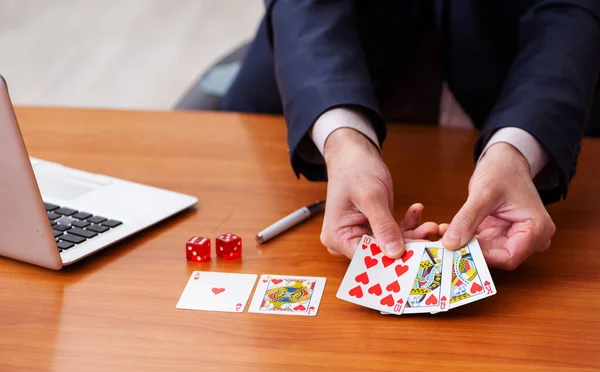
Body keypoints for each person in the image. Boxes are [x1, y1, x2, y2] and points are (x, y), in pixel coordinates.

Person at [221, 1, 600, 270]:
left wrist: (517, 151)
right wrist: (342, 141)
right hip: (320, 76)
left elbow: (571, 11)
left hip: (522, 80)